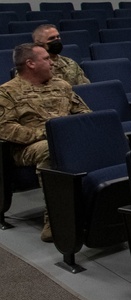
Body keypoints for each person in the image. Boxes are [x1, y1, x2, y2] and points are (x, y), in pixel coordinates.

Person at [0, 43, 90, 241]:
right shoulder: (7, 92)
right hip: (27, 147)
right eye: (46, 59)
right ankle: (56, 219)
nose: (52, 62)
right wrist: (47, 133)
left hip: (67, 138)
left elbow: (84, 113)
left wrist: (74, 131)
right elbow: (5, 128)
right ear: (30, 63)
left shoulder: (62, 86)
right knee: (52, 150)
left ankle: (98, 209)